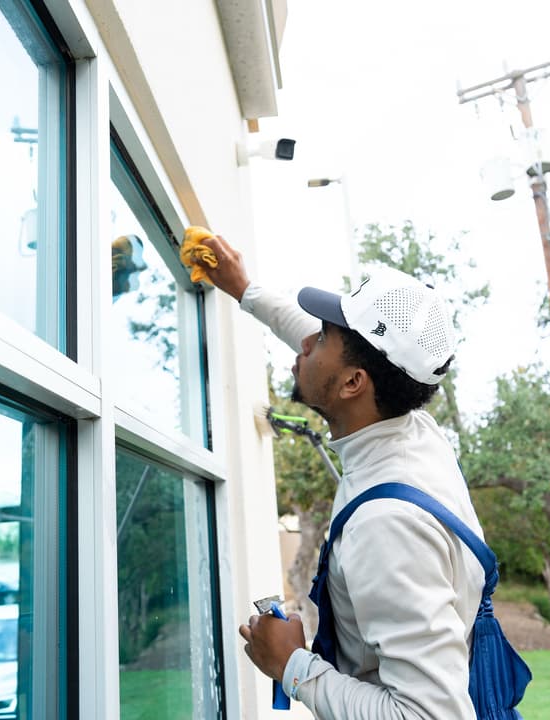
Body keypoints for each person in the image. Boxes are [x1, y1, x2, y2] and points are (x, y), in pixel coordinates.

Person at [195, 234, 486, 719]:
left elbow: (430, 715)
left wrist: (291, 665)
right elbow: (326, 346)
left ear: (354, 383)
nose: (307, 341)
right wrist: (245, 289)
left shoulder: (388, 524)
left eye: (323, 337)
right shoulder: (412, 431)